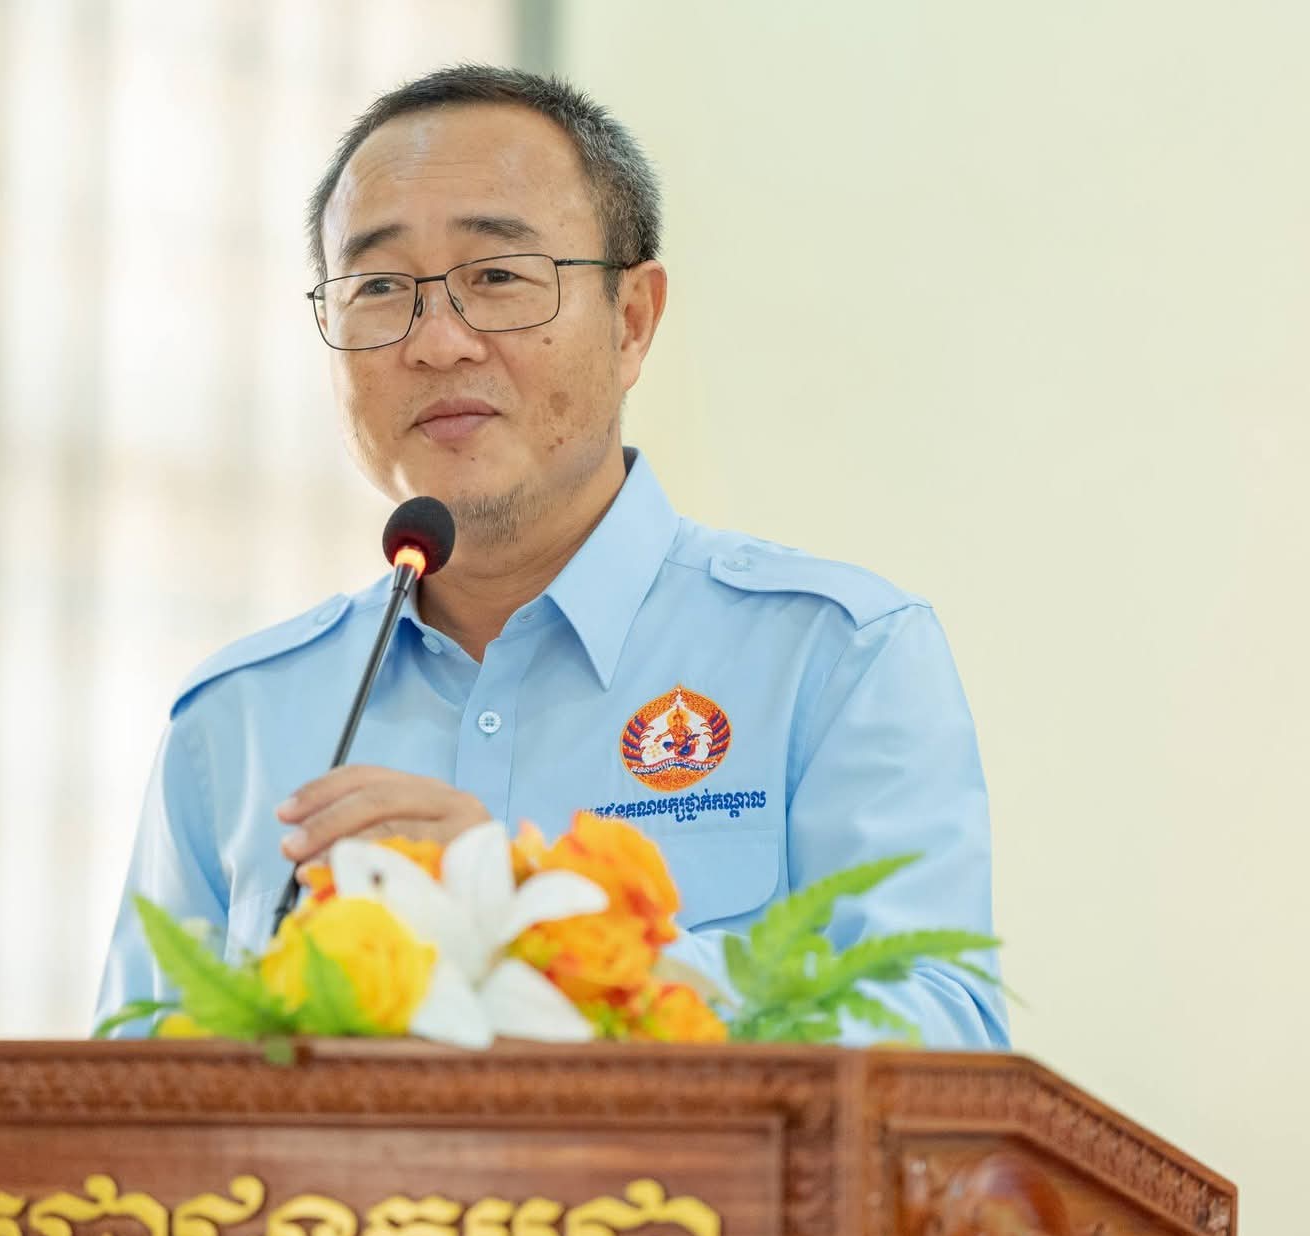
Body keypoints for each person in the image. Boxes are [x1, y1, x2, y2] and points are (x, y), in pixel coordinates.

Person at [93, 65, 1006, 1048]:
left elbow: (938, 1044)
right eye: (379, 288)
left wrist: (535, 929)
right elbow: (127, 1093)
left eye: (496, 278)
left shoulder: (831, 658)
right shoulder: (237, 719)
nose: (437, 342)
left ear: (631, 321)